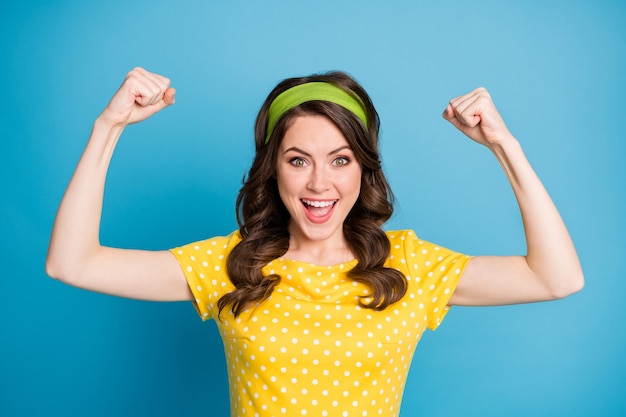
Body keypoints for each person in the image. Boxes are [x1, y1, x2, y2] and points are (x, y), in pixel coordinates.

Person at [46, 67, 584, 417]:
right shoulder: (230, 264)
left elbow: (556, 277)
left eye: (341, 160)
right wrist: (109, 125)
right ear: (273, 171)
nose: (319, 183)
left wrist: (504, 146)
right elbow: (72, 263)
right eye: (298, 160)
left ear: (363, 171)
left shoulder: (411, 266)